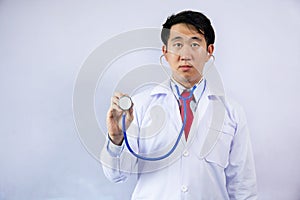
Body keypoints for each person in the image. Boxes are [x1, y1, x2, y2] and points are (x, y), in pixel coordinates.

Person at [101, 10, 258, 199]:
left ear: (209, 51)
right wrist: (116, 137)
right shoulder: (140, 106)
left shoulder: (231, 112)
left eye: (194, 44)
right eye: (177, 44)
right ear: (165, 52)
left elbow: (243, 187)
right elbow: (117, 175)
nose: (185, 54)